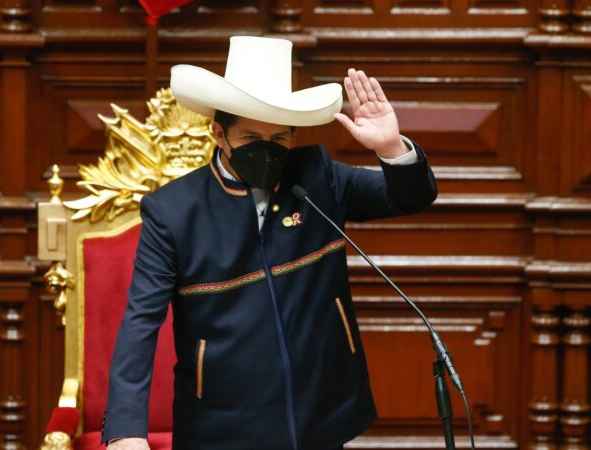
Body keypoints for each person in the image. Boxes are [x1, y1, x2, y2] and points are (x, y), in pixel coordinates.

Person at [102, 36, 438, 450]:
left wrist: (390, 147)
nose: (265, 150)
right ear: (218, 134)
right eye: (250, 138)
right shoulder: (172, 211)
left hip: (320, 414)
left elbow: (410, 197)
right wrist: (125, 430)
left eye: (278, 139)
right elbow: (141, 321)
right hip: (222, 427)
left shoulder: (318, 176)